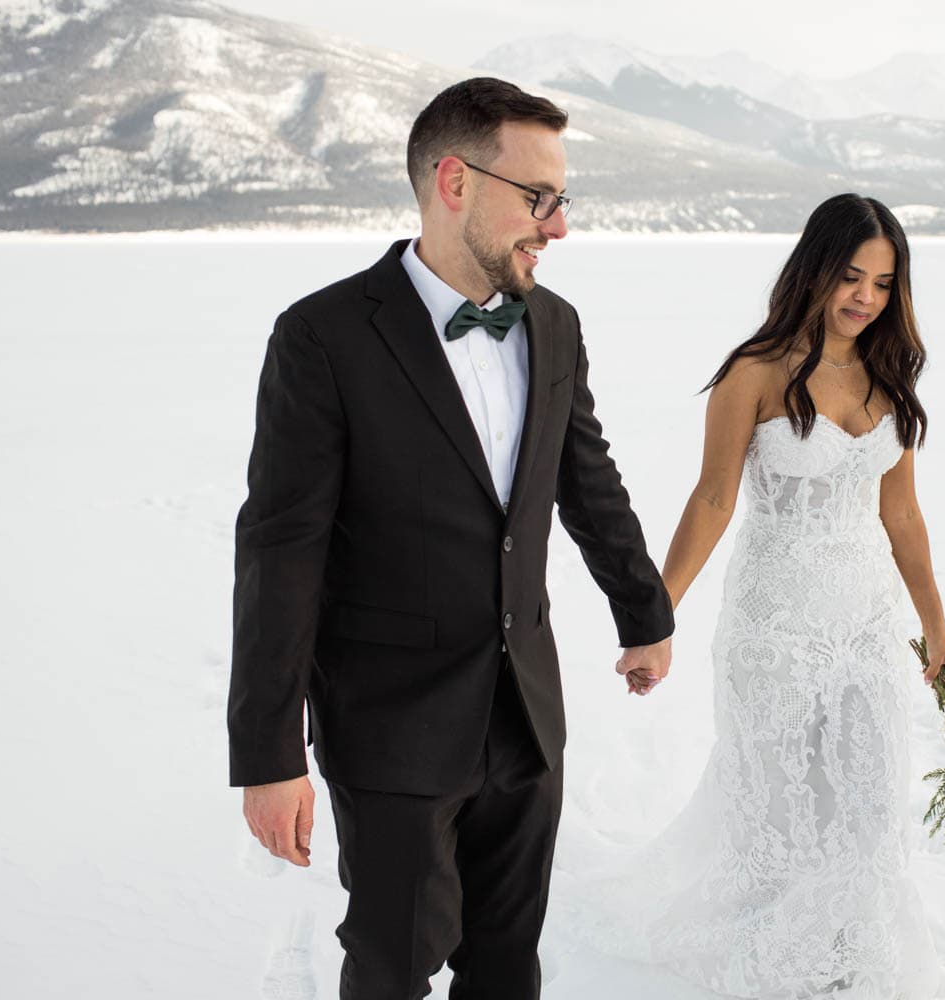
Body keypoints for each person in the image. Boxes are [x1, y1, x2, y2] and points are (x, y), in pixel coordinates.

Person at [226, 77, 674, 1000]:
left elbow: (584, 477)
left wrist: (645, 611)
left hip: (525, 716)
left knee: (508, 964)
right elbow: (280, 552)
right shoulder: (323, 337)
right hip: (391, 728)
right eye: (538, 199)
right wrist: (270, 757)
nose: (557, 228)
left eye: (562, 202)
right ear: (455, 183)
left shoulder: (554, 323)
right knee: (393, 966)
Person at [555, 193, 945, 999]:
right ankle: (777, 971)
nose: (865, 299)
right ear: (814, 268)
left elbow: (902, 512)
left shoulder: (889, 374)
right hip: (773, 630)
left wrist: (936, 630)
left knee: (873, 811)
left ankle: (856, 968)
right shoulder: (755, 372)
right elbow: (712, 500)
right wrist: (653, 617)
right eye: (851, 276)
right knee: (781, 823)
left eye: (883, 283)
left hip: (865, 630)